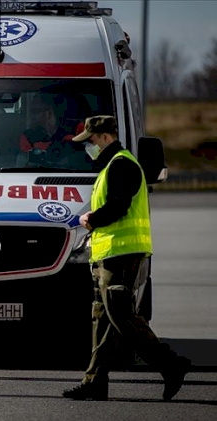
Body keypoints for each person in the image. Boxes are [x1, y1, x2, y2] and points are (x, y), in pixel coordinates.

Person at [63, 115, 191, 401]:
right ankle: (94, 382)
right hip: (109, 253)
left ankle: (171, 364)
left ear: (105, 136)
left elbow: (118, 205)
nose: (89, 146)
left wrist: (91, 219)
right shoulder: (112, 165)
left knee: (121, 316)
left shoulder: (122, 164)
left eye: (92, 140)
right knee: (104, 319)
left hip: (121, 253)